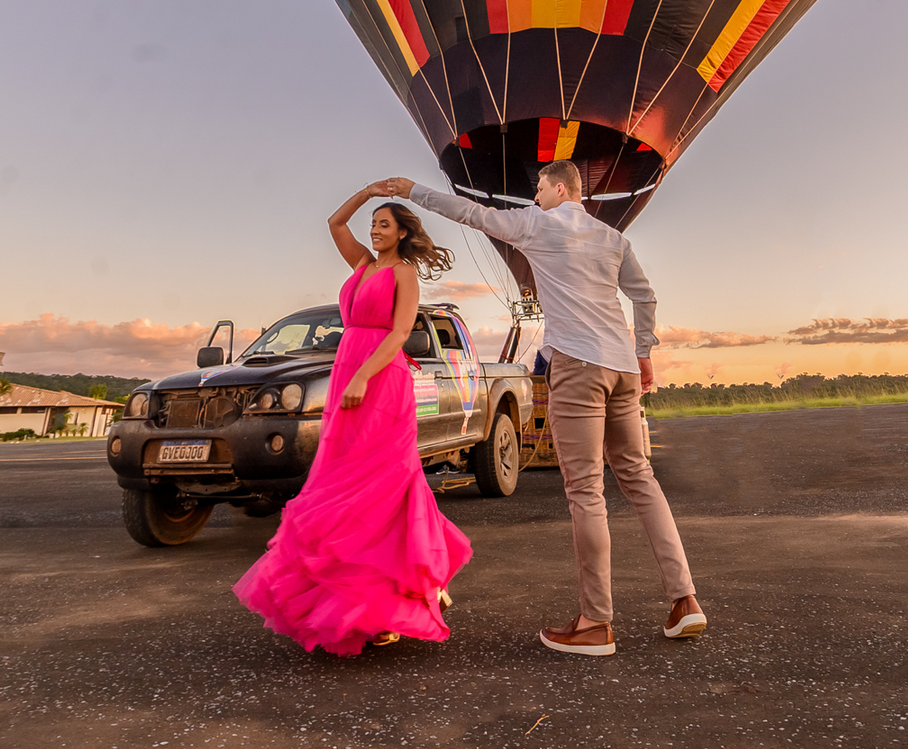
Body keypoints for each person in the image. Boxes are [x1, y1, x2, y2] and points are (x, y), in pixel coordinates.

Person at [375, 164, 704, 657]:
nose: (534, 195)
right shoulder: (613, 238)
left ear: (557, 187)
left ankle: (596, 621)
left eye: (538, 188)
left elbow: (471, 213)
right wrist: (644, 349)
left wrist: (413, 192)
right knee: (639, 478)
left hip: (578, 363)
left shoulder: (536, 222)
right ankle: (684, 600)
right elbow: (644, 296)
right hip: (623, 367)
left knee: (586, 489)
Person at [232, 185, 471, 656]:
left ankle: (393, 600)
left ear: (403, 233)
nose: (375, 230)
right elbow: (334, 224)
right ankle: (348, 600)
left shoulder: (404, 273)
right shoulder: (363, 263)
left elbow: (401, 332)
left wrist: (364, 375)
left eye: (385, 224)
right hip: (348, 370)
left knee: (381, 483)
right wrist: (365, 193)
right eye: (374, 224)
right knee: (341, 482)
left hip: (380, 376)